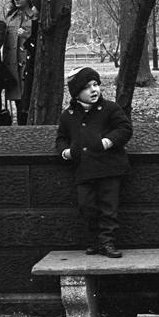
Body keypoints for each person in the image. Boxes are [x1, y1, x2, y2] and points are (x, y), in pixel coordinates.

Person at [56, 67, 133, 259]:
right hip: (84, 169)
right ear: (76, 93)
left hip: (109, 167)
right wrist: (65, 152)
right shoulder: (68, 115)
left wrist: (108, 142)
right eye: (87, 87)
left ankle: (107, 241)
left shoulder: (110, 108)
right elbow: (61, 138)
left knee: (109, 207)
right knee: (86, 206)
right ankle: (95, 240)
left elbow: (124, 128)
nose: (94, 90)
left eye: (96, 84)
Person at [2, 0, 38, 125]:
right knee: (18, 102)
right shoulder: (11, 17)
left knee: (28, 102)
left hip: (29, 67)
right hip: (13, 68)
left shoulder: (35, 16)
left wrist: (28, 35)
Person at [20, 0, 42, 124]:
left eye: (35, 6)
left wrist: (27, 39)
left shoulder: (41, 28)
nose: (32, 9)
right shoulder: (36, 25)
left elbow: (35, 49)